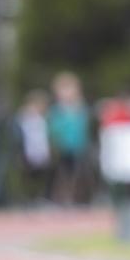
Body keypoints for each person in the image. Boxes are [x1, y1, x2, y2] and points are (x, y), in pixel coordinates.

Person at [47, 71, 91, 204]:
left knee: (79, 173)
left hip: (78, 147)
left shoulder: (80, 108)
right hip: (62, 148)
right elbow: (53, 128)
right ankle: (61, 197)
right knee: (62, 174)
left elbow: (83, 128)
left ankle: (79, 197)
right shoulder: (56, 111)